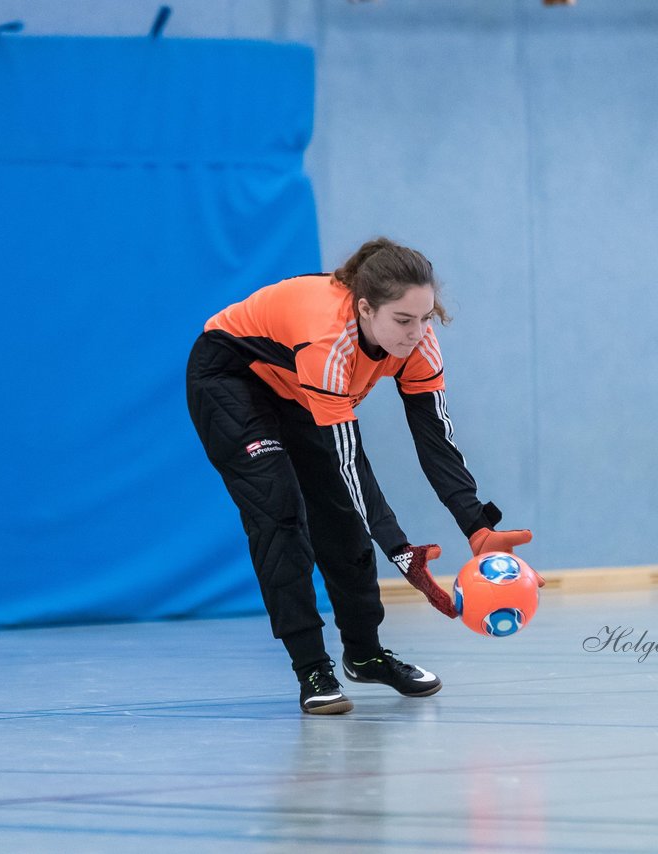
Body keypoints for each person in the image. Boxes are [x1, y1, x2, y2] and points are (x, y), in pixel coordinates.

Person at [186, 237, 533, 715]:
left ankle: (366, 654)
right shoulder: (329, 340)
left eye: (425, 318)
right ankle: (311, 667)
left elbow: (437, 441)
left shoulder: (418, 344)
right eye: (403, 320)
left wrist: (476, 524)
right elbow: (351, 462)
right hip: (231, 379)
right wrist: (399, 548)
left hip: (297, 390)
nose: (416, 333)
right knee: (279, 513)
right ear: (365, 309)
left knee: (342, 514)